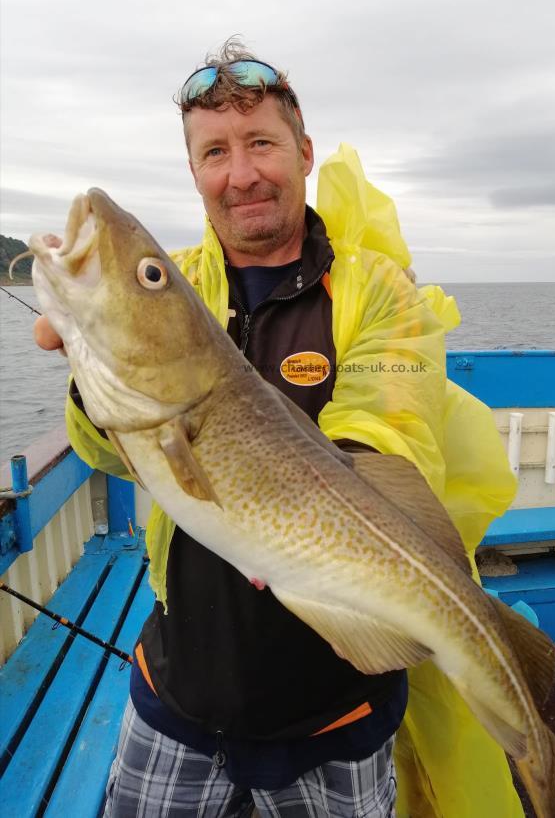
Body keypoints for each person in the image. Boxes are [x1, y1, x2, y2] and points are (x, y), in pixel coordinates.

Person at [35, 40, 522, 817]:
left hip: (337, 713)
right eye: (214, 153)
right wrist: (92, 373)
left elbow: (386, 439)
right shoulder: (187, 283)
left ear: (301, 151)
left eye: (260, 142)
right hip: (178, 695)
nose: (241, 172)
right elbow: (109, 451)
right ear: (194, 172)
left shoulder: (378, 293)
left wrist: (300, 530)